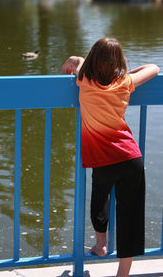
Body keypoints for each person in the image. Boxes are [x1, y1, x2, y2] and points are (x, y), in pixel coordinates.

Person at [62, 37, 160, 277]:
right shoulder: (125, 82)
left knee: (99, 200)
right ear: (118, 63)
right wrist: (125, 71)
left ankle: (100, 244)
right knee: (130, 215)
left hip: (103, 160)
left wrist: (73, 59)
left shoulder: (84, 80)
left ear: (92, 60)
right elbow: (155, 68)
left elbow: (79, 62)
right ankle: (123, 273)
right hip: (130, 157)